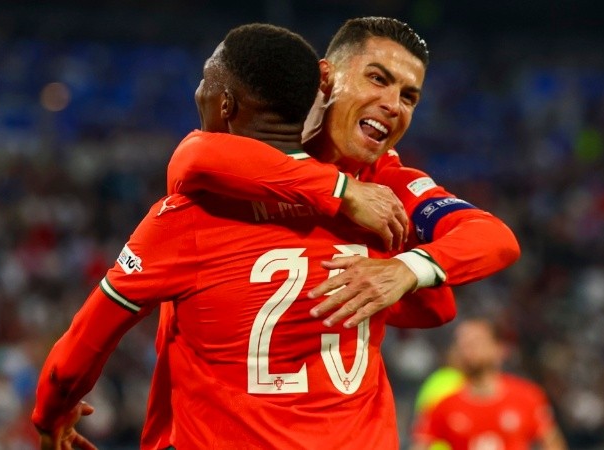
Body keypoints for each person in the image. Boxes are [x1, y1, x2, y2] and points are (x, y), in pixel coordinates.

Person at [32, 23, 456, 450]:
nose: (199, 93)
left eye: (206, 82)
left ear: (225, 105)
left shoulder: (190, 216)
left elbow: (85, 341)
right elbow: (438, 306)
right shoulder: (368, 213)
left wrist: (51, 414)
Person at [167, 16, 521, 328]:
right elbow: (193, 158)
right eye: (378, 78)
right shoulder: (263, 133)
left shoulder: (389, 183)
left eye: (409, 97)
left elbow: (493, 239)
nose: (393, 105)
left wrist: (406, 269)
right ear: (325, 77)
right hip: (193, 386)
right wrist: (342, 190)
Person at [410, 319, 567, 450]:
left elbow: (552, 443)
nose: (468, 350)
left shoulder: (527, 396)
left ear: (498, 348)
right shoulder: (444, 406)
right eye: (463, 344)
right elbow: (420, 444)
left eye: (476, 342)